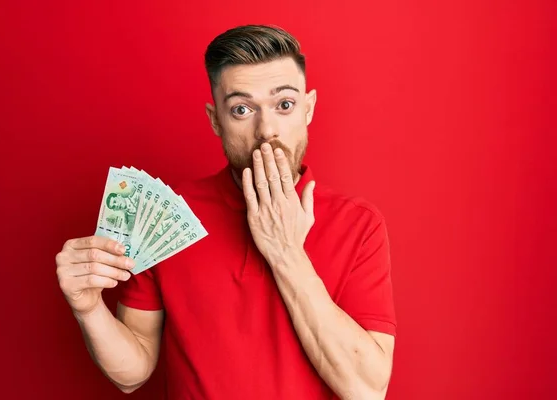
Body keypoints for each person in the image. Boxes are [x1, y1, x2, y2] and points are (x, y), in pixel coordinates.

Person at [55, 24, 397, 400]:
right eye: (241, 109)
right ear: (215, 119)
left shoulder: (360, 224)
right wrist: (88, 310)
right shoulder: (169, 215)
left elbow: (366, 390)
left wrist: (285, 253)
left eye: (284, 105)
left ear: (308, 109)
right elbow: (131, 374)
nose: (266, 130)